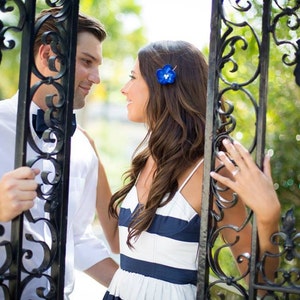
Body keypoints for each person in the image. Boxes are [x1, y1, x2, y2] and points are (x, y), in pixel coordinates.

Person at [93, 40, 281, 299]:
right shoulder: (148, 159)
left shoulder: (212, 172)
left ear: (163, 86)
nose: (124, 89)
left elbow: (259, 281)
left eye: (133, 77)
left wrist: (269, 217)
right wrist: (92, 160)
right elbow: (119, 243)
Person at [0, 7, 118, 299]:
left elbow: (77, 238)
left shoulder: (82, 146)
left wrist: (138, 289)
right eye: (86, 61)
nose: (96, 77)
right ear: (46, 55)